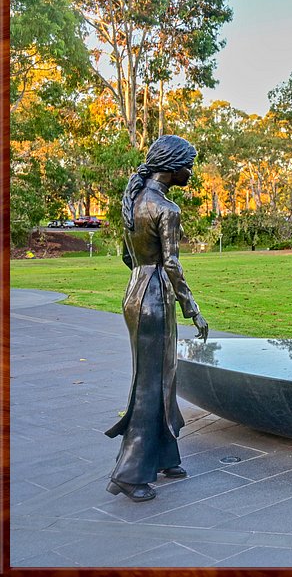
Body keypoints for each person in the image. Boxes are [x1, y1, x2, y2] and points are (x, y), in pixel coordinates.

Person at [105, 135, 209, 502]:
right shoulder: (166, 209)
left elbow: (127, 258)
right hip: (155, 296)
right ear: (171, 165)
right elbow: (172, 263)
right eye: (188, 164)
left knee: (160, 377)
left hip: (134, 291)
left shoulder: (133, 201)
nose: (191, 172)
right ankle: (129, 474)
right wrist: (192, 307)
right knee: (151, 384)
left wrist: (143, 278)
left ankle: (165, 455)